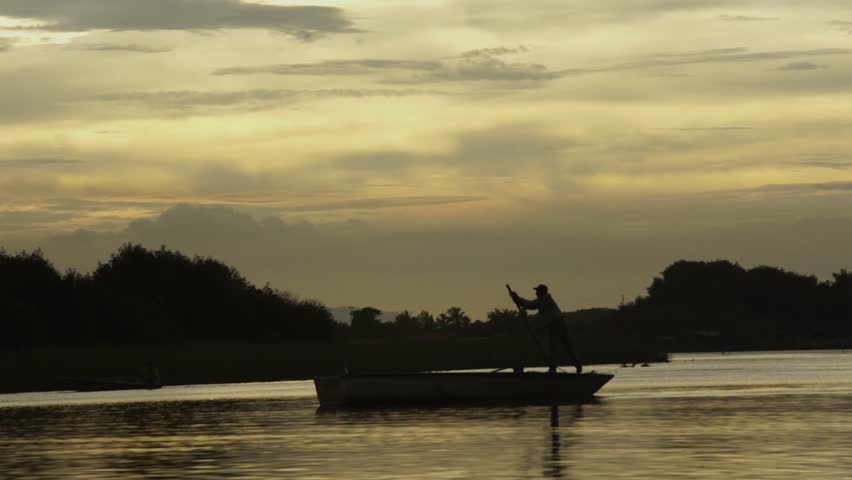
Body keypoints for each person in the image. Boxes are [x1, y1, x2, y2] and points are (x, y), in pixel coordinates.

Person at [510, 284, 582, 374]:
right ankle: (577, 365)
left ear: (542, 292)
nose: (536, 293)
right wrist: (517, 300)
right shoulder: (543, 300)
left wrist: (517, 298)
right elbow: (530, 306)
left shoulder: (544, 299)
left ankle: (554, 369)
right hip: (558, 324)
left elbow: (531, 305)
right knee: (565, 345)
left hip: (557, 324)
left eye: (537, 291)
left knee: (555, 346)